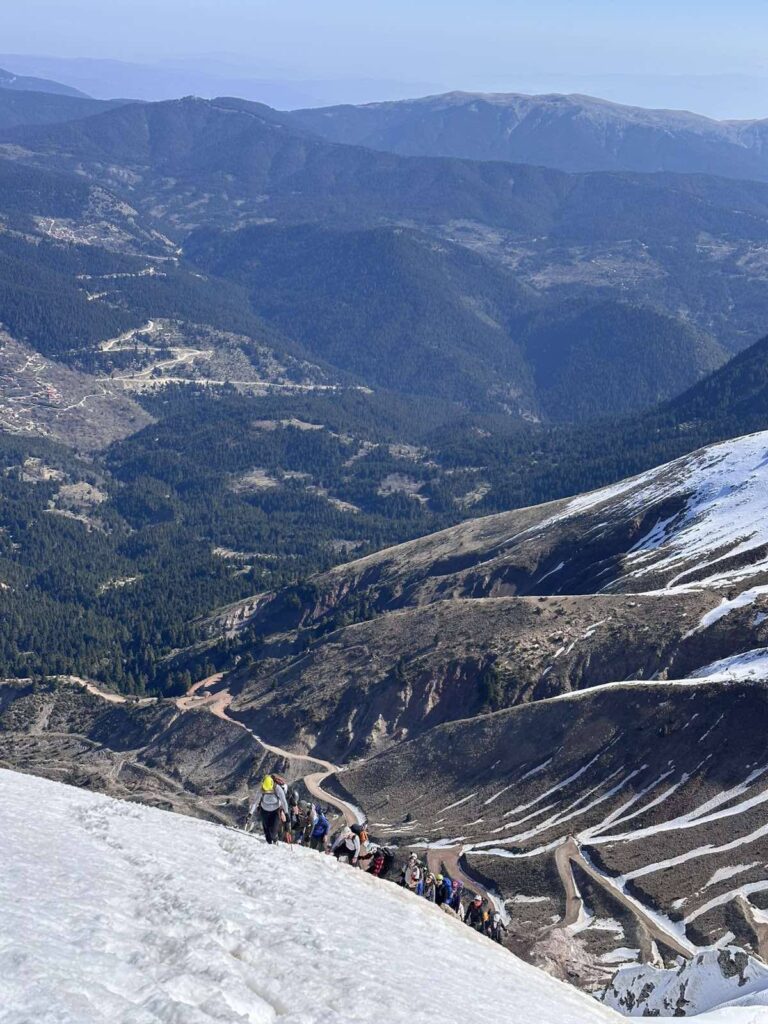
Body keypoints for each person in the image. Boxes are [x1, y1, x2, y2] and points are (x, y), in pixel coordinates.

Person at [250, 773, 289, 845]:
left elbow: (284, 801)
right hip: (264, 811)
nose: (267, 792)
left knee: (273, 832)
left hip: (275, 812)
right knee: (267, 836)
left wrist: (286, 813)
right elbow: (256, 801)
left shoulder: (277, 788)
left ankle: (275, 839)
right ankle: (269, 846)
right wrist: (250, 813)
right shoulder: (262, 789)